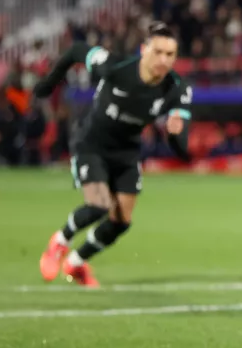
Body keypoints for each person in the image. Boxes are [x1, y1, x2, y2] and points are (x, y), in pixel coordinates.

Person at [36, 22, 192, 288]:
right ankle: (59, 243)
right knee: (99, 204)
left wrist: (175, 135)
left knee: (121, 221)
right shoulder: (115, 67)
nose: (163, 60)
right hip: (92, 145)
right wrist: (49, 84)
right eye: (158, 52)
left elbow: (182, 151)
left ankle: (76, 262)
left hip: (127, 153)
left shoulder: (177, 89)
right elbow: (76, 50)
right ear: (144, 50)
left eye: (170, 55)